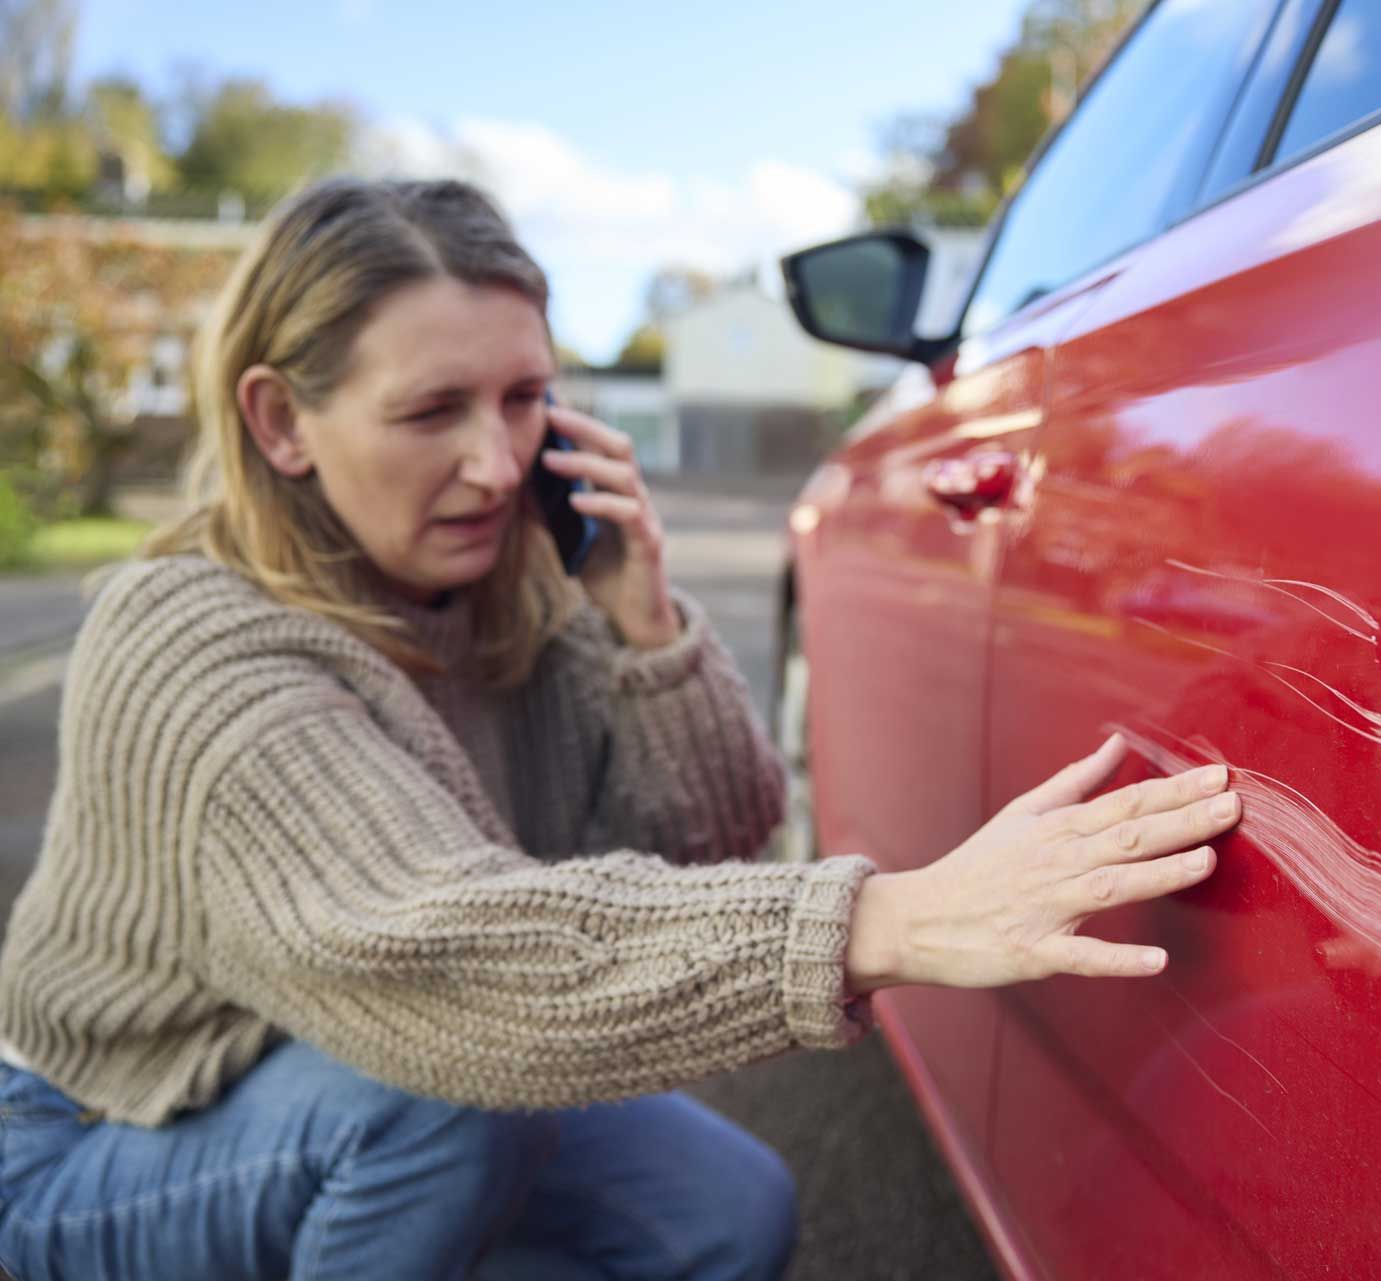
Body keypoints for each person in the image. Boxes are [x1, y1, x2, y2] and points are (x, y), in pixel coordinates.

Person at [0, 177, 1239, 1281]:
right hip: (105, 1137)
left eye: (525, 398)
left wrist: (643, 622)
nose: (497, 464)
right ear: (279, 425)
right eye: (433, 411)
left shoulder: (516, 592)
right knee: (442, 1110)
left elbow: (704, 849)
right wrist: (892, 920)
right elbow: (439, 961)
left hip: (333, 1096)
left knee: (724, 1210)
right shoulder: (187, 642)